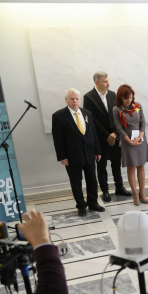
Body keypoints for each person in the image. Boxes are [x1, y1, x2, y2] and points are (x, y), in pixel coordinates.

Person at [51, 88, 104, 217]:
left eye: (77, 98)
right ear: (66, 100)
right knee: (76, 182)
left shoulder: (87, 113)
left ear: (80, 100)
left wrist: (97, 151)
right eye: (72, 99)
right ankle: (81, 206)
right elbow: (58, 139)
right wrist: (62, 157)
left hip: (89, 153)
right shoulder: (58, 116)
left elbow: (93, 134)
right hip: (72, 156)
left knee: (92, 180)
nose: (75, 101)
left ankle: (93, 203)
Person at [83, 71, 131, 202]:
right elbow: (92, 119)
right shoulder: (88, 97)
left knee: (116, 163)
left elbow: (118, 115)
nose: (108, 83)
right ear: (96, 82)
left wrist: (115, 133)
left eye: (108, 80)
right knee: (101, 166)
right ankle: (105, 191)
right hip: (100, 138)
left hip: (114, 136)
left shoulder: (113, 95)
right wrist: (107, 135)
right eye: (105, 81)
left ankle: (119, 187)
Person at [113, 84, 148, 206]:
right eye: (126, 98)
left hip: (140, 140)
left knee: (141, 166)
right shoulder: (116, 110)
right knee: (131, 168)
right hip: (127, 141)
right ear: (120, 98)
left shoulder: (137, 106)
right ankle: (135, 193)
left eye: (130, 97)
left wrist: (140, 137)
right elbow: (119, 128)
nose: (129, 100)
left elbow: (143, 122)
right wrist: (129, 141)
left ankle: (142, 193)